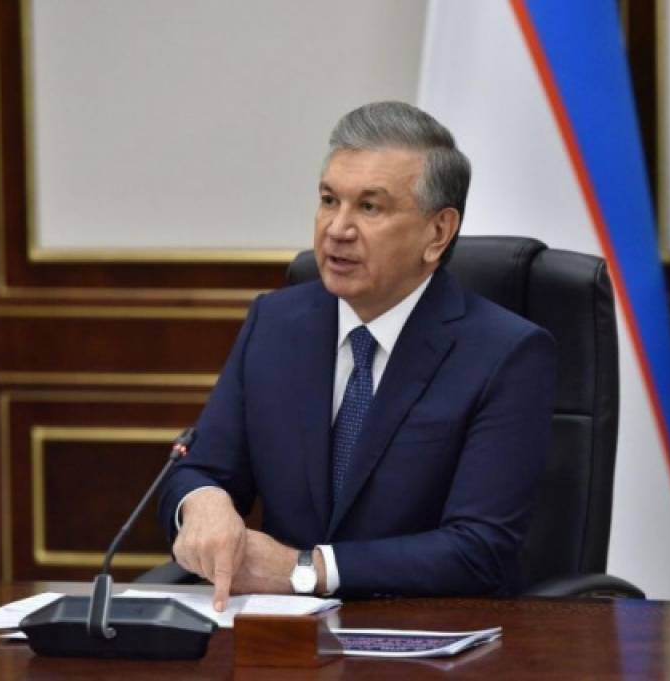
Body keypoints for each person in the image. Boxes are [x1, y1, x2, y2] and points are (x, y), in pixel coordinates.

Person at [159, 101, 556, 611]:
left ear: (437, 232)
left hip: (430, 631)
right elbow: (197, 470)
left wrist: (307, 570)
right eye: (329, 200)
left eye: (369, 208)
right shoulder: (276, 325)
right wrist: (203, 502)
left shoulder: (506, 354)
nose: (337, 229)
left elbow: (479, 550)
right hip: (284, 635)